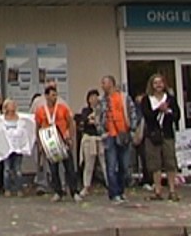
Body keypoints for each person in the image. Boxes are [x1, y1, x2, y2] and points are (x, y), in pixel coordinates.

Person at [35, 86, 81, 202]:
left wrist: (70, 137)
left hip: (63, 139)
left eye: (56, 95)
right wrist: (40, 143)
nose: (54, 97)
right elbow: (37, 127)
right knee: (53, 169)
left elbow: (70, 123)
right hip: (50, 141)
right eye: (52, 95)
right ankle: (57, 191)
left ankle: (74, 191)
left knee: (69, 167)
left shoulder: (62, 108)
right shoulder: (40, 110)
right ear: (46, 96)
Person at [139, 74, 180, 202]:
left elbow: (177, 115)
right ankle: (157, 190)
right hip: (153, 135)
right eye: (155, 83)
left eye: (160, 82)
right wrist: (158, 110)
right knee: (155, 164)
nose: (158, 85)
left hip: (167, 134)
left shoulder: (170, 99)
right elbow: (147, 116)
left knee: (170, 162)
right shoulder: (147, 99)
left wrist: (168, 111)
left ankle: (172, 190)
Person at [99, 75, 139, 204]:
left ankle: (121, 191)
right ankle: (113, 193)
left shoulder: (123, 98)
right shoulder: (102, 100)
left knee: (124, 165)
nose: (102, 86)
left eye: (104, 83)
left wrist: (132, 129)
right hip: (110, 135)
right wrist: (102, 131)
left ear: (111, 84)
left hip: (123, 133)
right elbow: (98, 116)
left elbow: (132, 112)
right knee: (111, 166)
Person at [76, 89, 106, 197]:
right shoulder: (85, 110)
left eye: (96, 97)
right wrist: (91, 120)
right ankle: (86, 186)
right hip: (89, 138)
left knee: (105, 163)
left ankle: (110, 184)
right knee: (89, 164)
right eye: (91, 97)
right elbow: (85, 121)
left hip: (100, 138)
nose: (94, 99)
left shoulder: (102, 110)